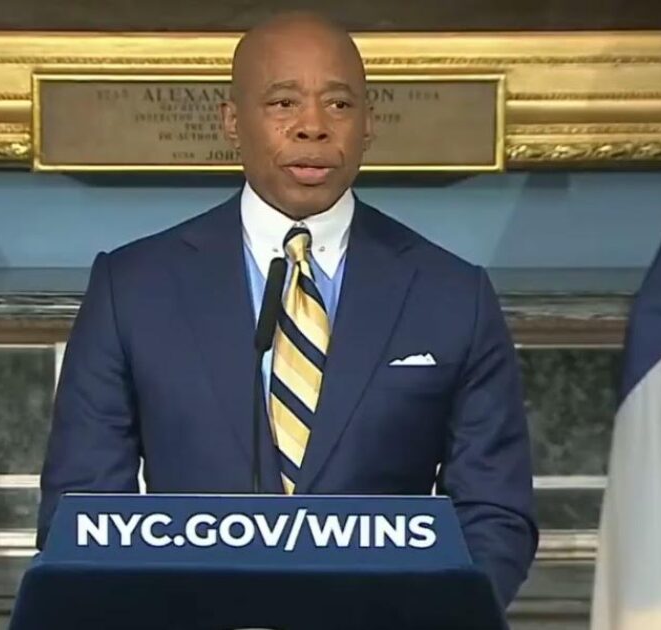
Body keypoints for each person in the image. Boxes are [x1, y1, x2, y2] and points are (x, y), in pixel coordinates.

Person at [37, 10, 538, 605]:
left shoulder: (452, 294)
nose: (313, 128)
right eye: (282, 103)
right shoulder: (132, 288)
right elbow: (83, 514)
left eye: (339, 105)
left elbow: (494, 515)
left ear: (368, 123)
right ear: (232, 120)